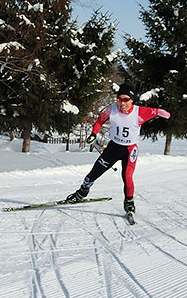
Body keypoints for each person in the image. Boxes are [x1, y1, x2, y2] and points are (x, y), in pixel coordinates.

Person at [65, 83, 171, 215]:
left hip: (130, 150)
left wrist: (162, 113)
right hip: (113, 148)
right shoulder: (112, 109)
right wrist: (93, 134)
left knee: (127, 177)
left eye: (126, 100)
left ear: (132, 100)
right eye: (120, 99)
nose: (122, 103)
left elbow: (155, 111)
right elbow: (99, 122)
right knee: (94, 172)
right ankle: (82, 192)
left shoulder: (139, 111)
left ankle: (129, 203)